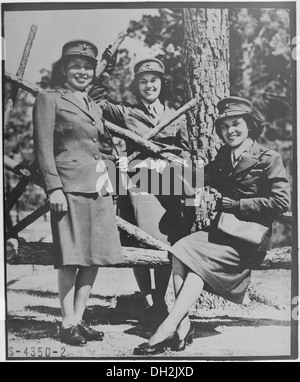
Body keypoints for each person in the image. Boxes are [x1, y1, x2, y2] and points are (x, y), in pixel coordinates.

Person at [133, 96, 291, 355]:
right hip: (222, 230)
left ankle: (166, 329)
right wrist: (159, 172)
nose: (231, 131)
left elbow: (281, 201)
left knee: (196, 268)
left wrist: (238, 205)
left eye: (236, 124)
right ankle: (182, 326)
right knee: (179, 250)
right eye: (225, 126)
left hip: (249, 237)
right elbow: (200, 177)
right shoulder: (224, 155)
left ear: (250, 125)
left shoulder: (268, 157)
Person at [33, 40, 123, 346]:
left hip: (98, 187)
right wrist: (53, 187)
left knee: (94, 257)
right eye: (76, 66)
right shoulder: (49, 99)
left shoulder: (94, 105)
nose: (82, 72)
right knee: (70, 256)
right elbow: (43, 147)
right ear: (64, 69)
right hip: (68, 187)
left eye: (87, 67)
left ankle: (79, 318)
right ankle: (66, 321)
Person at [94, 58, 192, 327]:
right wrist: (104, 70)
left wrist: (178, 162)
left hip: (169, 186)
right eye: (143, 81)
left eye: (154, 80)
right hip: (138, 183)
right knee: (141, 240)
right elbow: (94, 100)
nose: (149, 85)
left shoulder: (177, 115)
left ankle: (159, 301)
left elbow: (186, 150)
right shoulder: (125, 112)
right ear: (137, 86)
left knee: (162, 242)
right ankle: (150, 302)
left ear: (163, 84)